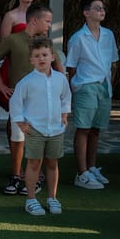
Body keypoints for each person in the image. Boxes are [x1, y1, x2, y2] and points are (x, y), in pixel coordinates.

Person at [0, 4, 62, 195]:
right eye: (47, 21)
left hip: (42, 102)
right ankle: (16, 176)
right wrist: (1, 86)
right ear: (34, 21)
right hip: (19, 100)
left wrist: (62, 92)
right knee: (17, 139)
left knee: (36, 140)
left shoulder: (47, 44)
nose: (49, 25)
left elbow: (58, 67)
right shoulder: (12, 40)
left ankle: (35, 179)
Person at [8, 36, 71, 216]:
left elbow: (66, 97)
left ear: (52, 56)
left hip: (56, 129)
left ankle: (52, 198)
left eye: (45, 54)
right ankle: (31, 200)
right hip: (35, 129)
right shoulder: (26, 82)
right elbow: (16, 103)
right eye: (37, 55)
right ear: (31, 60)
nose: (41, 58)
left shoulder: (61, 79)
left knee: (52, 163)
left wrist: (64, 114)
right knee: (34, 163)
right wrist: (21, 123)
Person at [66, 0, 119, 190]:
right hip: (86, 86)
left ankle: (91, 167)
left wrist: (109, 84)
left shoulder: (108, 35)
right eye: (97, 8)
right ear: (86, 13)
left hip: (104, 86)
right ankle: (81, 173)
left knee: (96, 129)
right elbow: (71, 67)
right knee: (83, 128)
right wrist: (77, 86)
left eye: (103, 8)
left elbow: (112, 62)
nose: (101, 11)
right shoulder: (78, 38)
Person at [0, 0, 39, 109]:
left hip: (36, 66)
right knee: (15, 112)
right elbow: (4, 45)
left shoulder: (40, 15)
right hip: (15, 66)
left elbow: (44, 42)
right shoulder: (11, 16)